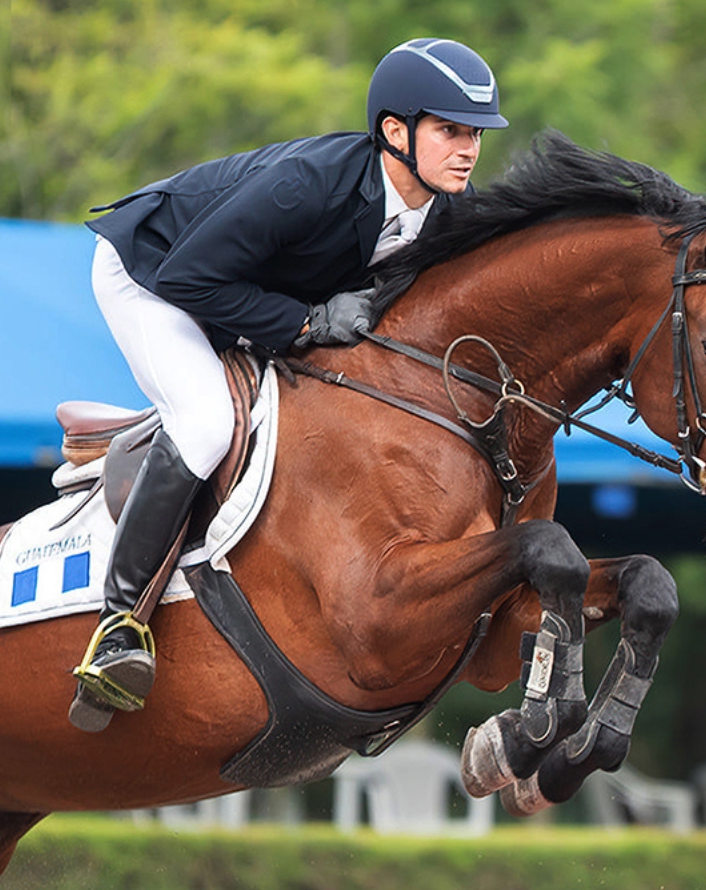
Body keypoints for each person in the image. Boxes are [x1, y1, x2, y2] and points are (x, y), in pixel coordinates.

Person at [71, 38, 509, 721]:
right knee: (208, 422)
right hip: (151, 275)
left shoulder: (447, 211)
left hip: (233, 286)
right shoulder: (309, 184)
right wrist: (305, 324)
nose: (468, 149)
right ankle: (119, 622)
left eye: (475, 134)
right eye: (450, 130)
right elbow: (191, 277)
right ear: (395, 131)